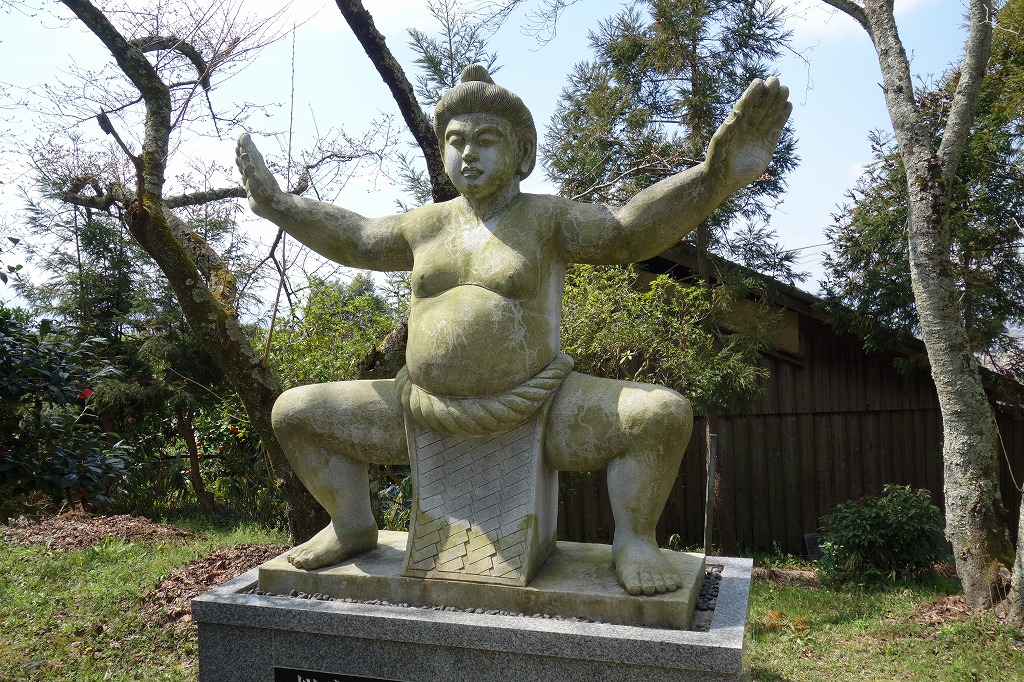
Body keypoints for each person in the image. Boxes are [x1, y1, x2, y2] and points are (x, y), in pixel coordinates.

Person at [236, 65, 791, 596]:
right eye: (455, 141)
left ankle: (635, 538)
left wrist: (714, 177)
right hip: (420, 409)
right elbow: (356, 238)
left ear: (523, 152)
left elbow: (626, 231)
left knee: (661, 416)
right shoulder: (425, 224)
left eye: (486, 140)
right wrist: (280, 206)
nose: (468, 154)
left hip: (539, 407)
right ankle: (350, 522)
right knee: (295, 413)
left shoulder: (547, 218)